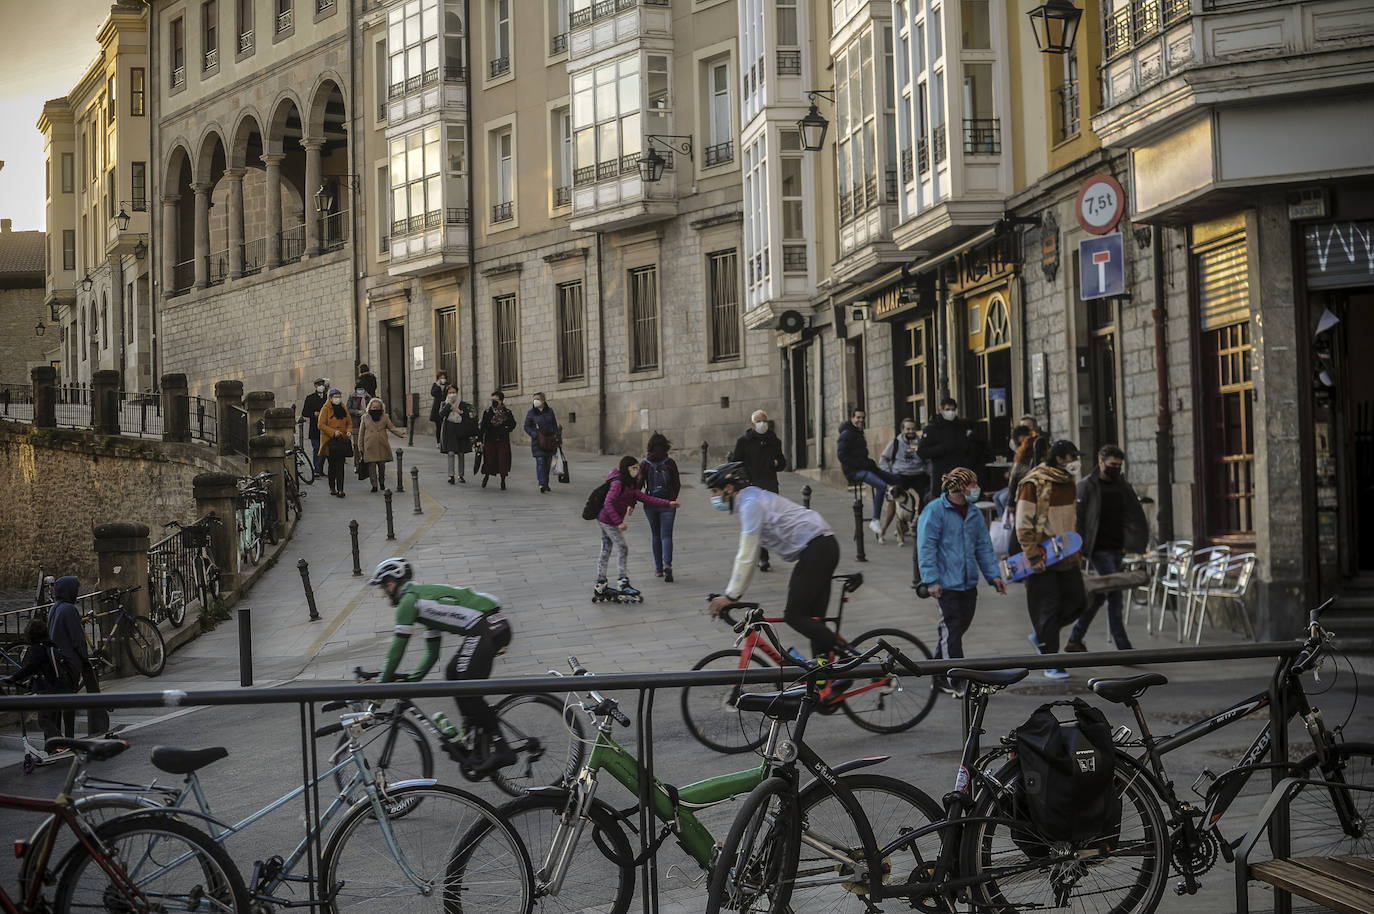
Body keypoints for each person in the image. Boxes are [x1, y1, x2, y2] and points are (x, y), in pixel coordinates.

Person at [366, 557, 516, 775]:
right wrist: (410, 681)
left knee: (467, 686)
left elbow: (396, 650)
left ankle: (502, 747)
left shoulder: (410, 602)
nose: (383, 593)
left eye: (383, 587)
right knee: (452, 673)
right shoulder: (421, 602)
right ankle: (471, 736)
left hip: (487, 626)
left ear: (392, 582)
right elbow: (432, 654)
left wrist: (381, 686)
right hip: (488, 627)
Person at [705, 463, 848, 663]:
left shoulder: (750, 504)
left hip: (817, 548)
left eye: (715, 491)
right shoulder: (751, 498)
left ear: (729, 488)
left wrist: (731, 595)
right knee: (814, 620)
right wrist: (734, 593)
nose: (714, 498)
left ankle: (849, 657)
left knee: (794, 615)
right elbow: (752, 555)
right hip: (822, 545)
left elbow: (747, 553)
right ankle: (825, 677)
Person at [916, 468, 1007, 695]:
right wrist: (932, 580)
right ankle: (956, 681)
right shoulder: (935, 511)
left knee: (954, 630)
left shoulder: (974, 513)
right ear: (960, 487)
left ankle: (937, 674)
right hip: (945, 585)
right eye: (973, 484)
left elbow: (984, 547)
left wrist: (993, 576)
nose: (977, 488)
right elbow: (926, 547)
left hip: (968, 583)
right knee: (952, 629)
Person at [1066, 445, 1149, 652]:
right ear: (1100, 462)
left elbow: (1133, 515)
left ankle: (1075, 639)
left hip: (1116, 548)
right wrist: (1081, 547)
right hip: (1098, 549)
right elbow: (1079, 518)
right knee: (1114, 595)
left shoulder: (1123, 486)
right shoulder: (1087, 486)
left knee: (1100, 594)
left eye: (1119, 466)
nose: (1116, 469)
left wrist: (1132, 543)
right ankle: (1123, 646)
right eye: (1112, 465)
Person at [1015, 439, 1086, 680]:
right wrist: (1032, 555)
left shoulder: (1069, 483)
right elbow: (1023, 522)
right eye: (1071, 457)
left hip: (1067, 554)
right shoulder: (1034, 482)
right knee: (1048, 607)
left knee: (1079, 601)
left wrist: (1077, 553)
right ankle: (1051, 661)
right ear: (1059, 459)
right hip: (1044, 555)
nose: (1075, 462)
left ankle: (1043, 636)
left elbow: (1071, 520)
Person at [594, 456, 681, 601]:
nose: (637, 470)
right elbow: (608, 503)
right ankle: (622, 582)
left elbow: (646, 498)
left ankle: (601, 583)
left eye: (637, 468)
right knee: (622, 547)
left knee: (606, 549)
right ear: (626, 469)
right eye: (633, 468)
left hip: (607, 519)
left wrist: (667, 503)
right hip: (607, 520)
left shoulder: (630, 485)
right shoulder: (618, 483)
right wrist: (619, 522)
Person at [47, 575, 111, 737]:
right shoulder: (69, 610)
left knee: (58, 704)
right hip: (69, 663)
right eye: (75, 589)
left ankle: (56, 738)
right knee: (70, 703)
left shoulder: (55, 608)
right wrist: (85, 659)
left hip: (55, 662)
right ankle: (69, 737)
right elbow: (77, 640)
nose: (76, 592)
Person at [2, 619, 77, 745]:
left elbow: (30, 667)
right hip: (59, 688)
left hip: (49, 691)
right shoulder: (51, 645)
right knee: (52, 720)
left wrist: (13, 678)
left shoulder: (37, 649)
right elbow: (42, 669)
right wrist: (30, 683)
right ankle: (51, 748)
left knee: (44, 720)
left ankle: (60, 743)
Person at [730, 410, 786, 571]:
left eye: (764, 420)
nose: (762, 424)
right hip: (752, 486)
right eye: (759, 421)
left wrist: (777, 463)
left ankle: (762, 553)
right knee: (757, 522)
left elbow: (782, 462)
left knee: (769, 522)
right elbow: (736, 463)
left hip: (769, 484)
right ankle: (763, 557)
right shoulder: (743, 442)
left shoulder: (774, 440)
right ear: (753, 424)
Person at [837, 408, 900, 537]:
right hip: (854, 471)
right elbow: (842, 456)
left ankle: (902, 520)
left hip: (865, 467)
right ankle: (875, 520)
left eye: (863, 418)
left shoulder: (859, 433)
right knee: (881, 486)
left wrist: (868, 463)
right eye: (858, 417)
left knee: (896, 480)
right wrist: (862, 464)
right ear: (852, 418)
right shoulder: (847, 434)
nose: (861, 420)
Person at [917, 398, 987, 504]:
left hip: (960, 471)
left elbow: (975, 445)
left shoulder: (962, 426)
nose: (951, 412)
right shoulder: (932, 428)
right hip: (941, 472)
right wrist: (941, 448)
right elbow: (922, 451)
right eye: (947, 409)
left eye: (953, 409)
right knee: (941, 502)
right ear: (940, 410)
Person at [878, 417, 932, 540]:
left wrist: (929, 472)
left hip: (918, 474)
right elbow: (884, 459)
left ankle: (918, 521)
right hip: (900, 475)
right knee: (895, 496)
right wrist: (888, 473)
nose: (910, 431)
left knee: (926, 494)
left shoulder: (920, 443)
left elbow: (928, 460)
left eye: (913, 429)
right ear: (902, 430)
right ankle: (901, 523)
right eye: (908, 429)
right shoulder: (895, 443)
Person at [639, 432, 681, 582]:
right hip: (668, 503)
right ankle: (667, 564)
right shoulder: (670, 463)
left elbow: (638, 485)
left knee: (655, 535)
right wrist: (671, 498)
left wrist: (634, 503)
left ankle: (658, 569)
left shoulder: (644, 463)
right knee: (666, 535)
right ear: (666, 446)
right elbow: (677, 484)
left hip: (650, 503)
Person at [357, 397, 406, 492]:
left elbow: (392, 428)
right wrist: (360, 447)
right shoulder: (365, 417)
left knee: (382, 466)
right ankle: (374, 485)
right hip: (369, 446)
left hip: (381, 445)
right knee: (371, 467)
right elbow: (361, 433)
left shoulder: (385, 417)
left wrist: (401, 434)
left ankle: (382, 482)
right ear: (370, 407)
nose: (375, 409)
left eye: (377, 407)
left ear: (381, 408)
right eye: (373, 407)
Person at [318, 387, 353, 497]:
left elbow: (349, 423)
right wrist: (333, 432)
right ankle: (332, 487)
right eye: (335, 397)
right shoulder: (326, 408)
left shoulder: (343, 407)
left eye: (339, 397)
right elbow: (321, 425)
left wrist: (348, 431)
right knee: (332, 466)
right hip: (330, 441)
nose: (337, 399)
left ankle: (341, 489)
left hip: (341, 441)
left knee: (340, 466)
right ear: (330, 398)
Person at [992, 425, 1035, 516]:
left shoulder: (1025, 450)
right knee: (996, 497)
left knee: (1003, 498)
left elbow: (1015, 476)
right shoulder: (1022, 450)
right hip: (1019, 484)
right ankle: (1004, 522)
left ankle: (1009, 522)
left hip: (1023, 486)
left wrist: (1010, 502)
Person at [478, 391, 517, 489]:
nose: (494, 402)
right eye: (492, 400)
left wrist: (506, 429)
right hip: (490, 439)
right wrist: (479, 440)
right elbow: (483, 427)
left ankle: (503, 480)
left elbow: (513, 424)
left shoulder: (507, 412)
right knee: (489, 460)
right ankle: (486, 476)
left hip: (502, 439)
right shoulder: (487, 412)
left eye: (496, 400)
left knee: (503, 460)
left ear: (501, 401)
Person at [523, 393, 560, 493]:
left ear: (543, 401)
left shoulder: (550, 411)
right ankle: (541, 484)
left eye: (537, 399)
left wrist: (558, 439)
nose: (535, 401)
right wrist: (534, 434)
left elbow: (555, 425)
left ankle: (546, 483)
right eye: (534, 399)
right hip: (537, 442)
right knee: (540, 462)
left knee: (547, 463)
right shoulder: (531, 413)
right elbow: (526, 426)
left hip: (549, 441)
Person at [441, 392, 478, 484]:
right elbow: (441, 415)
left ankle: (461, 475)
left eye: (453, 392)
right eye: (449, 392)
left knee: (461, 453)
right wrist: (449, 404)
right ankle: (451, 476)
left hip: (461, 431)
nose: (452, 394)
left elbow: (470, 416)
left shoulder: (463, 404)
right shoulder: (444, 404)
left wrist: (459, 411)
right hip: (449, 431)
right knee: (451, 453)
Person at [301, 377, 329, 475]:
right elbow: (304, 412)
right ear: (315, 386)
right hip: (315, 427)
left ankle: (319, 468)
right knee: (317, 448)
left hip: (326, 428)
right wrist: (313, 414)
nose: (320, 386)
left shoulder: (327, 398)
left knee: (325, 449)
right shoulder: (310, 398)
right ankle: (317, 469)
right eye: (318, 385)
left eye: (322, 384)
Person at [429, 369, 450, 446]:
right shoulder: (435, 385)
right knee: (438, 425)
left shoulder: (448, 385)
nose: (443, 379)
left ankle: (445, 440)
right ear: (438, 378)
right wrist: (438, 386)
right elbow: (433, 393)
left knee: (445, 425)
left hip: (445, 406)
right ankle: (438, 441)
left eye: (444, 377)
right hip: (437, 408)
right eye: (441, 377)